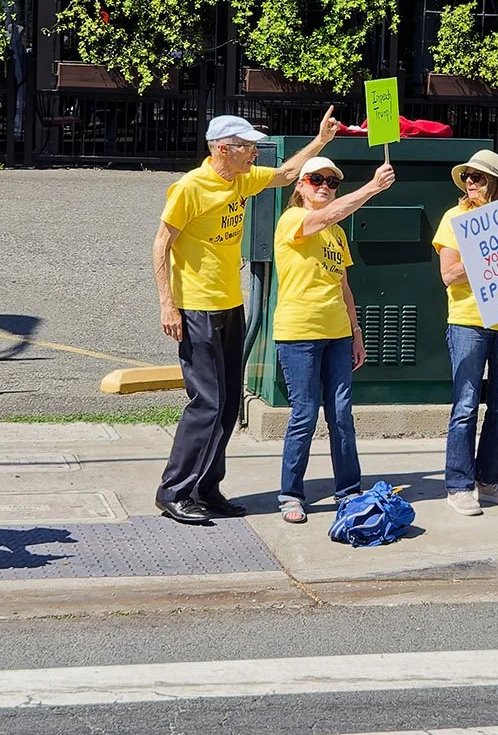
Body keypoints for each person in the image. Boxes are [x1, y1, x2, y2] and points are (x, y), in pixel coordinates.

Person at [153, 109, 340, 524]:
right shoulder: (189, 187)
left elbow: (288, 174)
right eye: (248, 146)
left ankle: (206, 487)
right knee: (208, 401)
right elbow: (160, 245)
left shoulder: (240, 178)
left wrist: (321, 140)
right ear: (224, 149)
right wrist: (168, 304)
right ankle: (174, 491)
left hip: (229, 305)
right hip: (196, 306)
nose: (255, 152)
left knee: (229, 402)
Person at [272, 157, 394, 523]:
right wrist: (372, 187)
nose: (324, 186)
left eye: (331, 182)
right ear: (300, 186)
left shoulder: (337, 234)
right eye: (315, 179)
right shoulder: (293, 220)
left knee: (341, 415)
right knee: (304, 414)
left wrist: (356, 333)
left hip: (338, 334)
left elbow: (344, 287)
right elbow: (323, 217)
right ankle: (291, 493)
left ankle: (348, 489)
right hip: (299, 334)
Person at [435, 149, 498, 516]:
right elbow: (448, 275)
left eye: (477, 177)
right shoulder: (454, 218)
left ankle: (490, 480)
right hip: (468, 319)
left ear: (494, 184)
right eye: (467, 176)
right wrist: (490, 254)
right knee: (465, 404)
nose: (469, 182)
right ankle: (459, 484)